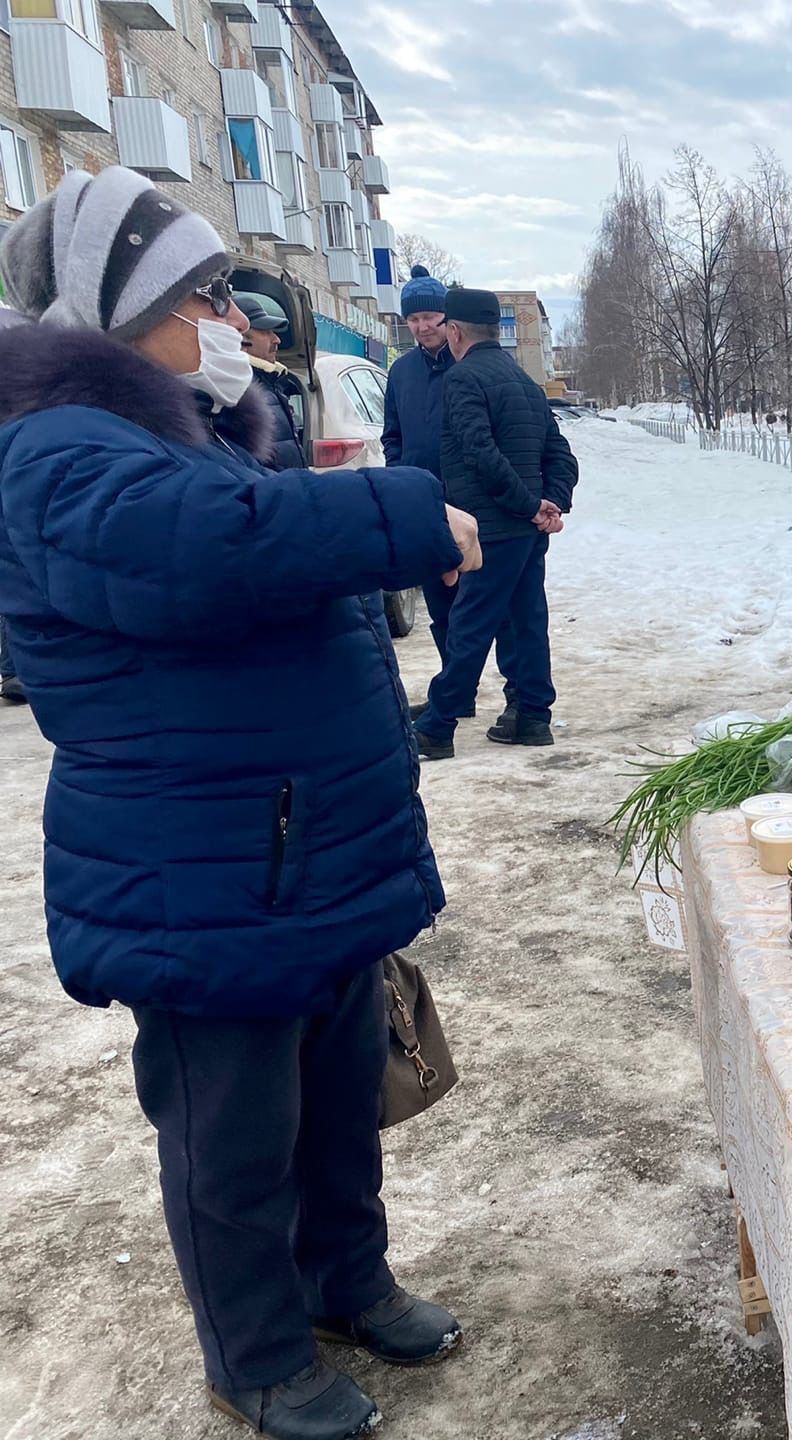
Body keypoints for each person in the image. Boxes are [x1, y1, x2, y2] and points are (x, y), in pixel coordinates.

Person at [0, 168, 480, 1440]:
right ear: (120, 310)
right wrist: (406, 511)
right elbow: (221, 547)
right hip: (203, 868)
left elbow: (246, 527)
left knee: (336, 1103)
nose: (242, 317)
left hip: (291, 849)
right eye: (208, 292)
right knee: (233, 1144)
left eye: (233, 289)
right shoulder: (59, 448)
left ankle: (346, 1285)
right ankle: (255, 1355)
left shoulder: (185, 431)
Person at [413, 286, 578, 759]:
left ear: (457, 331)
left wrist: (530, 505)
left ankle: (438, 725)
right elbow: (561, 455)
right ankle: (532, 716)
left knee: (469, 625)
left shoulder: (464, 380)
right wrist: (551, 502)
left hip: (492, 528)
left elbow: (479, 454)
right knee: (526, 620)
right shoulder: (524, 382)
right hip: (525, 532)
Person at [382, 264, 516, 722]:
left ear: (449, 321)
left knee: (481, 606)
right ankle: (456, 693)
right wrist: (399, 478)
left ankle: (481, 692)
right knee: (441, 603)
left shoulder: (473, 367)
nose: (423, 327)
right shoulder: (400, 373)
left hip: (474, 503)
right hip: (425, 503)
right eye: (413, 319)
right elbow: (392, 435)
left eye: (431, 318)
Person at [234, 293, 305, 471]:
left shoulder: (271, 384)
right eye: (266, 332)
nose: (277, 339)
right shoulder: (238, 390)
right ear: (241, 339)